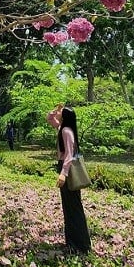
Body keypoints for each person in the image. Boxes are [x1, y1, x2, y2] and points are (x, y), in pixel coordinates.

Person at [47, 104, 91, 255]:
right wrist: (55, 111)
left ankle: (80, 245)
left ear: (65, 116)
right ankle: (73, 242)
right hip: (65, 169)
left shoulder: (66, 131)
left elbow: (69, 155)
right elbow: (49, 118)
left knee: (73, 207)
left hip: (68, 170)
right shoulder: (62, 128)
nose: (57, 112)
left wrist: (63, 174)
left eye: (60, 111)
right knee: (69, 207)